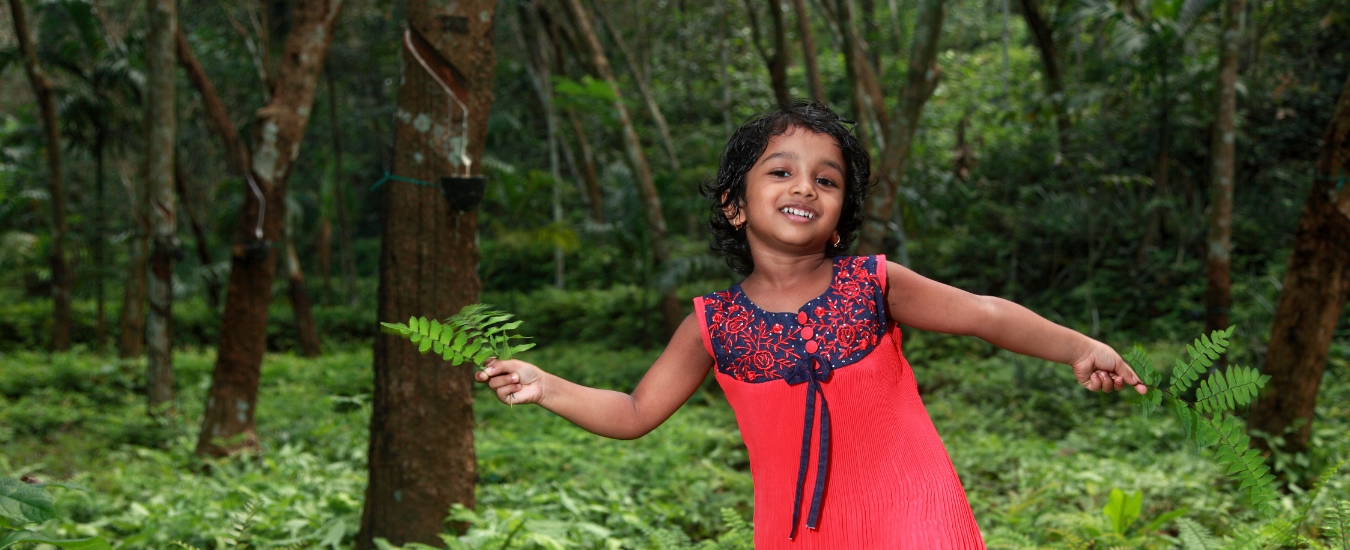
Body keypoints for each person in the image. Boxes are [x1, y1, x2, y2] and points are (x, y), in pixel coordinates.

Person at [475, 99, 1146, 549]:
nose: (804, 187)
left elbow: (985, 314)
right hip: (799, 533)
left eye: (827, 181)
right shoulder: (711, 325)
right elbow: (633, 411)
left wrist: (1080, 347)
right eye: (781, 171)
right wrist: (547, 385)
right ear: (735, 205)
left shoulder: (874, 283)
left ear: (840, 216)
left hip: (915, 513)